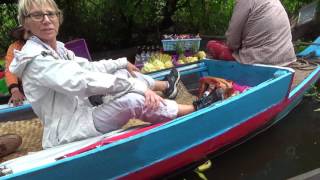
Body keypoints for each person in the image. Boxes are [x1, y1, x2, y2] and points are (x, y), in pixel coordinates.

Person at [10, 0, 219, 149]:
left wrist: (121, 63)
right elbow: (81, 81)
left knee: (125, 75)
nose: (47, 20)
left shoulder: (60, 50)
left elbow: (88, 68)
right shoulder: (36, 60)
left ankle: (166, 88)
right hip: (67, 130)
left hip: (84, 110)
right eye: (38, 15)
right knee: (133, 100)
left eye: (51, 14)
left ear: (58, 18)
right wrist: (139, 88)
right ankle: (194, 107)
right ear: (26, 23)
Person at [206, 0, 296, 66]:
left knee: (211, 44)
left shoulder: (244, 1)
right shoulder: (275, 1)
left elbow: (232, 43)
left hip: (263, 60)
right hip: (287, 57)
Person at [5, 26, 28, 106]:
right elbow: (10, 70)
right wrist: (15, 90)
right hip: (23, 87)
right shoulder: (14, 47)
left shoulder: (46, 43)